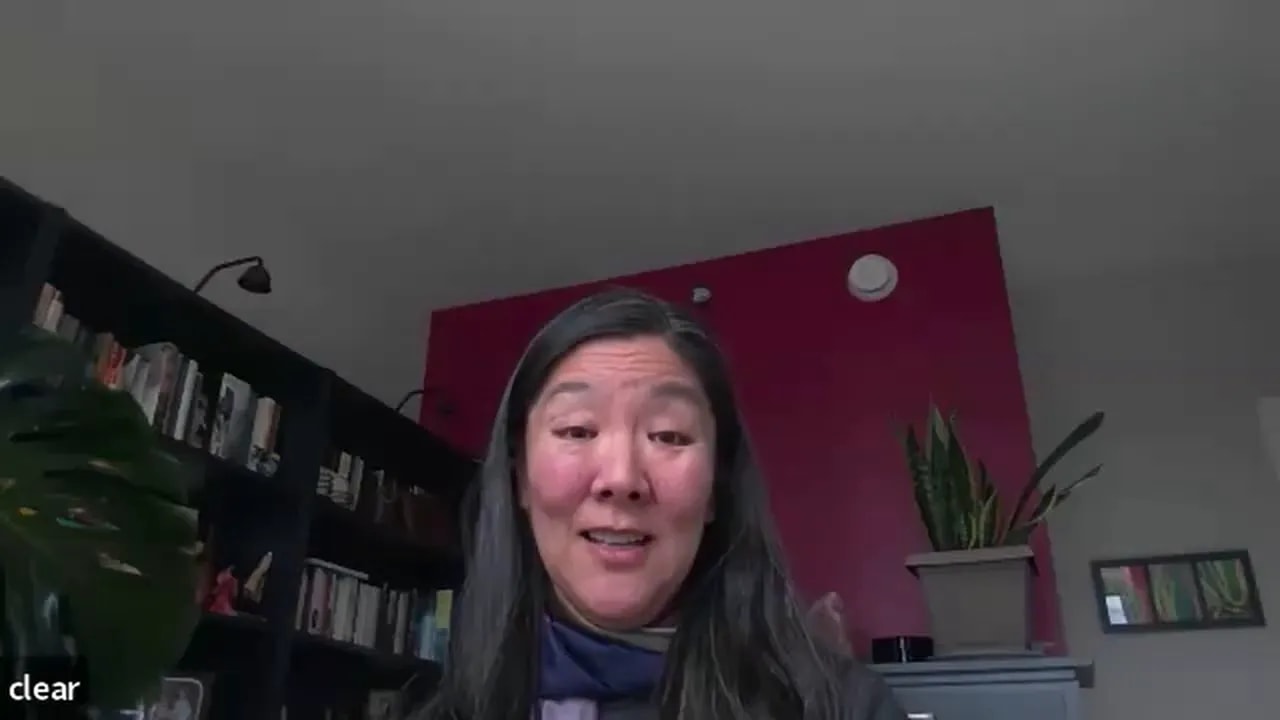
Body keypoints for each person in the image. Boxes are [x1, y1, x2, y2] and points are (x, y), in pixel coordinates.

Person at [416, 288, 906, 720]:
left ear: (716, 487)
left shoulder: (843, 707)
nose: (622, 478)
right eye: (577, 430)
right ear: (519, 477)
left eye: (669, 434)